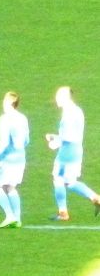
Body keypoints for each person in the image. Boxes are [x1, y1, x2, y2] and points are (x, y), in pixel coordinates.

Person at [45, 86, 100, 220]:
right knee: (70, 181)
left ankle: (63, 212)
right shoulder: (77, 110)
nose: (56, 99)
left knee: (58, 179)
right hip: (76, 150)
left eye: (58, 96)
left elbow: (68, 137)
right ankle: (95, 197)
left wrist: (54, 142)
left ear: (65, 97)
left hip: (67, 153)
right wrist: (56, 137)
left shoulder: (68, 114)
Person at [0, 92, 30, 228]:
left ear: (8, 103)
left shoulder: (5, 119)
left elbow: (4, 142)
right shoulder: (23, 118)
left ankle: (9, 216)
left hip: (8, 159)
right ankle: (17, 219)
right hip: (21, 157)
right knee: (11, 187)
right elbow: (27, 140)